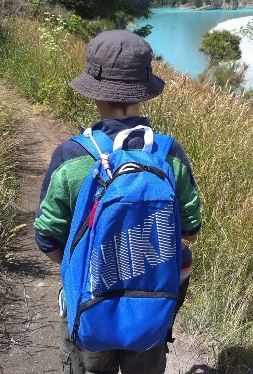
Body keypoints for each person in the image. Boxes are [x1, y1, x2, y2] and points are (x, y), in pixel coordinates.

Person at [33, 30, 202, 374]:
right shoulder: (168, 153)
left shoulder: (71, 156)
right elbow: (190, 231)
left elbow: (47, 238)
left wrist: (75, 269)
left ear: (93, 90)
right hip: (149, 315)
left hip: (89, 309)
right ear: (144, 89)